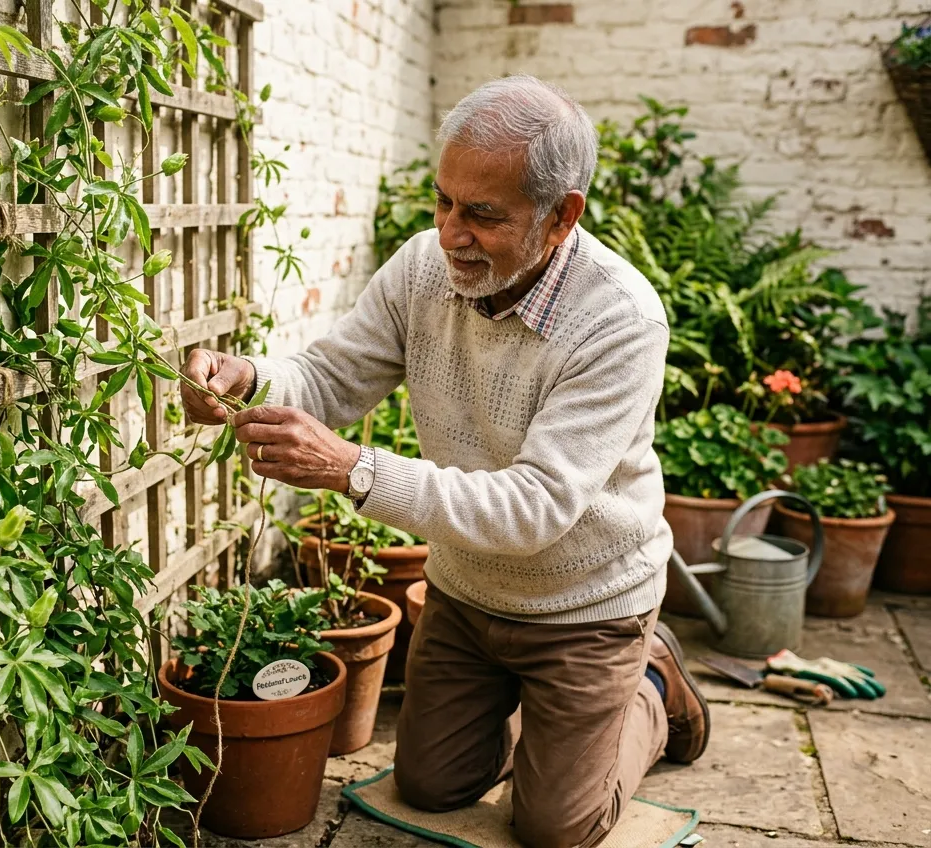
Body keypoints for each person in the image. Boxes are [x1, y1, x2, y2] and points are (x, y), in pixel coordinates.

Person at [178, 74, 710, 848]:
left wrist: (352, 469)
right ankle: (556, 727)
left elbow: (534, 509)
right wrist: (251, 377)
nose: (451, 233)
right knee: (430, 785)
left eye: (483, 215)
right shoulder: (423, 267)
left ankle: (653, 687)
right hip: (466, 593)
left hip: (586, 606)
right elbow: (332, 376)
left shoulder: (620, 320)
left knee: (559, 828)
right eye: (444, 202)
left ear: (562, 216)